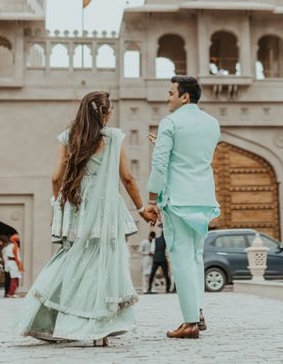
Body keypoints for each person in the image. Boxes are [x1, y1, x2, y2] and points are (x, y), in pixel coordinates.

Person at [14, 91, 146, 347]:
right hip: (106, 211)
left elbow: (55, 178)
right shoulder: (114, 138)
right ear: (104, 113)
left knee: (69, 261)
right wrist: (141, 208)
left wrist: (58, 205)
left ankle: (44, 320)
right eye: (110, 110)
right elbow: (127, 178)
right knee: (103, 266)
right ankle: (100, 329)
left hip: (77, 208)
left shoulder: (69, 137)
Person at [141, 75, 220, 339]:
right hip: (204, 196)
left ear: (184, 96)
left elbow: (160, 164)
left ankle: (189, 323)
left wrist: (151, 200)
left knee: (182, 257)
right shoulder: (212, 123)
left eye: (171, 92)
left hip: (179, 199)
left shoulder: (170, 123)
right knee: (196, 256)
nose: (167, 97)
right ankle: (197, 312)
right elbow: (194, 155)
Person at [147, 229, 171, 295]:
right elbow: (168, 250)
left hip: (156, 258)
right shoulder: (166, 240)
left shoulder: (155, 240)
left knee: (152, 274)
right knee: (166, 274)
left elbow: (152, 250)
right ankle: (167, 289)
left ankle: (149, 288)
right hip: (163, 258)